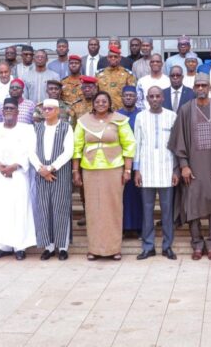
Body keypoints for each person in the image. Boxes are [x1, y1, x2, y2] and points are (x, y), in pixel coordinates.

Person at [168, 73, 211, 261]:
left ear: (210, 87)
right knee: (193, 206)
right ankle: (197, 245)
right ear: (194, 88)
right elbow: (178, 139)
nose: (201, 89)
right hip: (193, 169)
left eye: (204, 85)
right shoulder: (186, 110)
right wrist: (183, 165)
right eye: (198, 85)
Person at [73, 92, 135, 260]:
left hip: (114, 168)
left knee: (113, 208)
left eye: (104, 101)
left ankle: (114, 248)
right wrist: (75, 171)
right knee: (93, 209)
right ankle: (94, 248)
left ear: (109, 103)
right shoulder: (83, 121)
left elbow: (129, 144)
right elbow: (77, 147)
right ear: (93, 104)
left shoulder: (119, 119)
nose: (101, 103)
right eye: (98, 101)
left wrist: (128, 170)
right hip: (90, 169)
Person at [0, 98, 37, 260]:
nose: (9, 111)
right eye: (6, 109)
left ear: (18, 112)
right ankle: (0, 246)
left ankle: (19, 246)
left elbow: (30, 151)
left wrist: (14, 166)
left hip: (17, 176)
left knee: (18, 211)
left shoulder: (27, 129)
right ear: (2, 112)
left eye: (12, 108)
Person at [134, 87, 179, 260]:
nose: (154, 99)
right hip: (146, 170)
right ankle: (148, 246)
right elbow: (137, 144)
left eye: (157, 96)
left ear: (163, 98)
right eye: (151, 96)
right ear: (146, 98)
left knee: (167, 212)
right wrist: (136, 170)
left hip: (167, 170)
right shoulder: (140, 117)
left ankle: (167, 246)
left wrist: (176, 169)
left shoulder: (172, 116)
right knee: (147, 211)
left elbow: (176, 145)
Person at [30, 99, 74, 260]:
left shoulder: (66, 127)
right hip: (41, 173)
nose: (46, 111)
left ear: (57, 111)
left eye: (50, 109)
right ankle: (48, 246)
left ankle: (62, 246)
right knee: (44, 208)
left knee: (60, 208)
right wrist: (40, 168)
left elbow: (68, 151)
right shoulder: (36, 128)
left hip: (60, 173)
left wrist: (50, 168)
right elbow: (30, 151)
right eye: (44, 109)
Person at [116, 86, 142, 238]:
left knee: (138, 196)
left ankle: (138, 227)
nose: (129, 98)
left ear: (136, 98)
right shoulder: (116, 115)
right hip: (120, 161)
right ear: (122, 97)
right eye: (126, 95)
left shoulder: (141, 114)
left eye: (132, 95)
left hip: (138, 161)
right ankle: (124, 227)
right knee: (123, 196)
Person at [96, 45, 136, 110]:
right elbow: (96, 94)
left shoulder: (127, 74)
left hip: (121, 111)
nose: (113, 58)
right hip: (103, 110)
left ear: (120, 58)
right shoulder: (99, 74)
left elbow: (132, 94)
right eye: (110, 57)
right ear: (107, 58)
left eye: (115, 57)